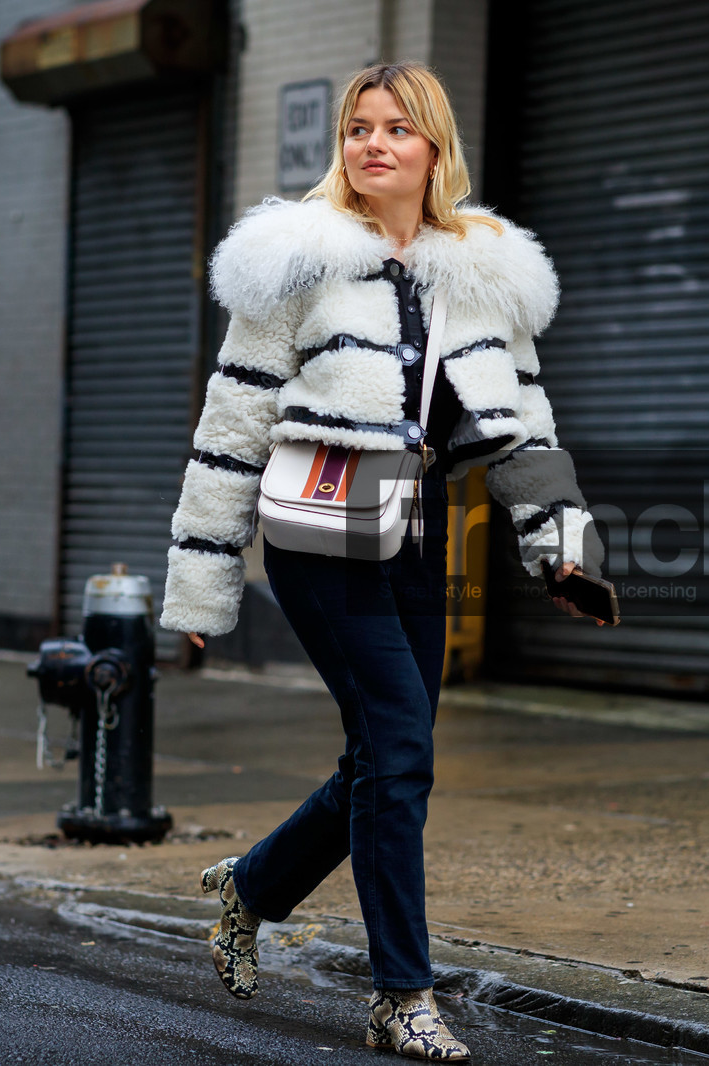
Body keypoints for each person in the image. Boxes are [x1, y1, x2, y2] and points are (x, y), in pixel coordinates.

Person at [158, 60, 604, 1062]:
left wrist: (562, 554)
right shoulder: (295, 259)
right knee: (400, 752)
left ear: (434, 148)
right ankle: (402, 995)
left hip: (418, 526)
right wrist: (203, 581)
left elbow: (526, 427)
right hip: (318, 532)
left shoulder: (483, 271)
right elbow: (232, 423)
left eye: (397, 128)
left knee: (383, 756)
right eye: (359, 128)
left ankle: (252, 887)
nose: (373, 144)